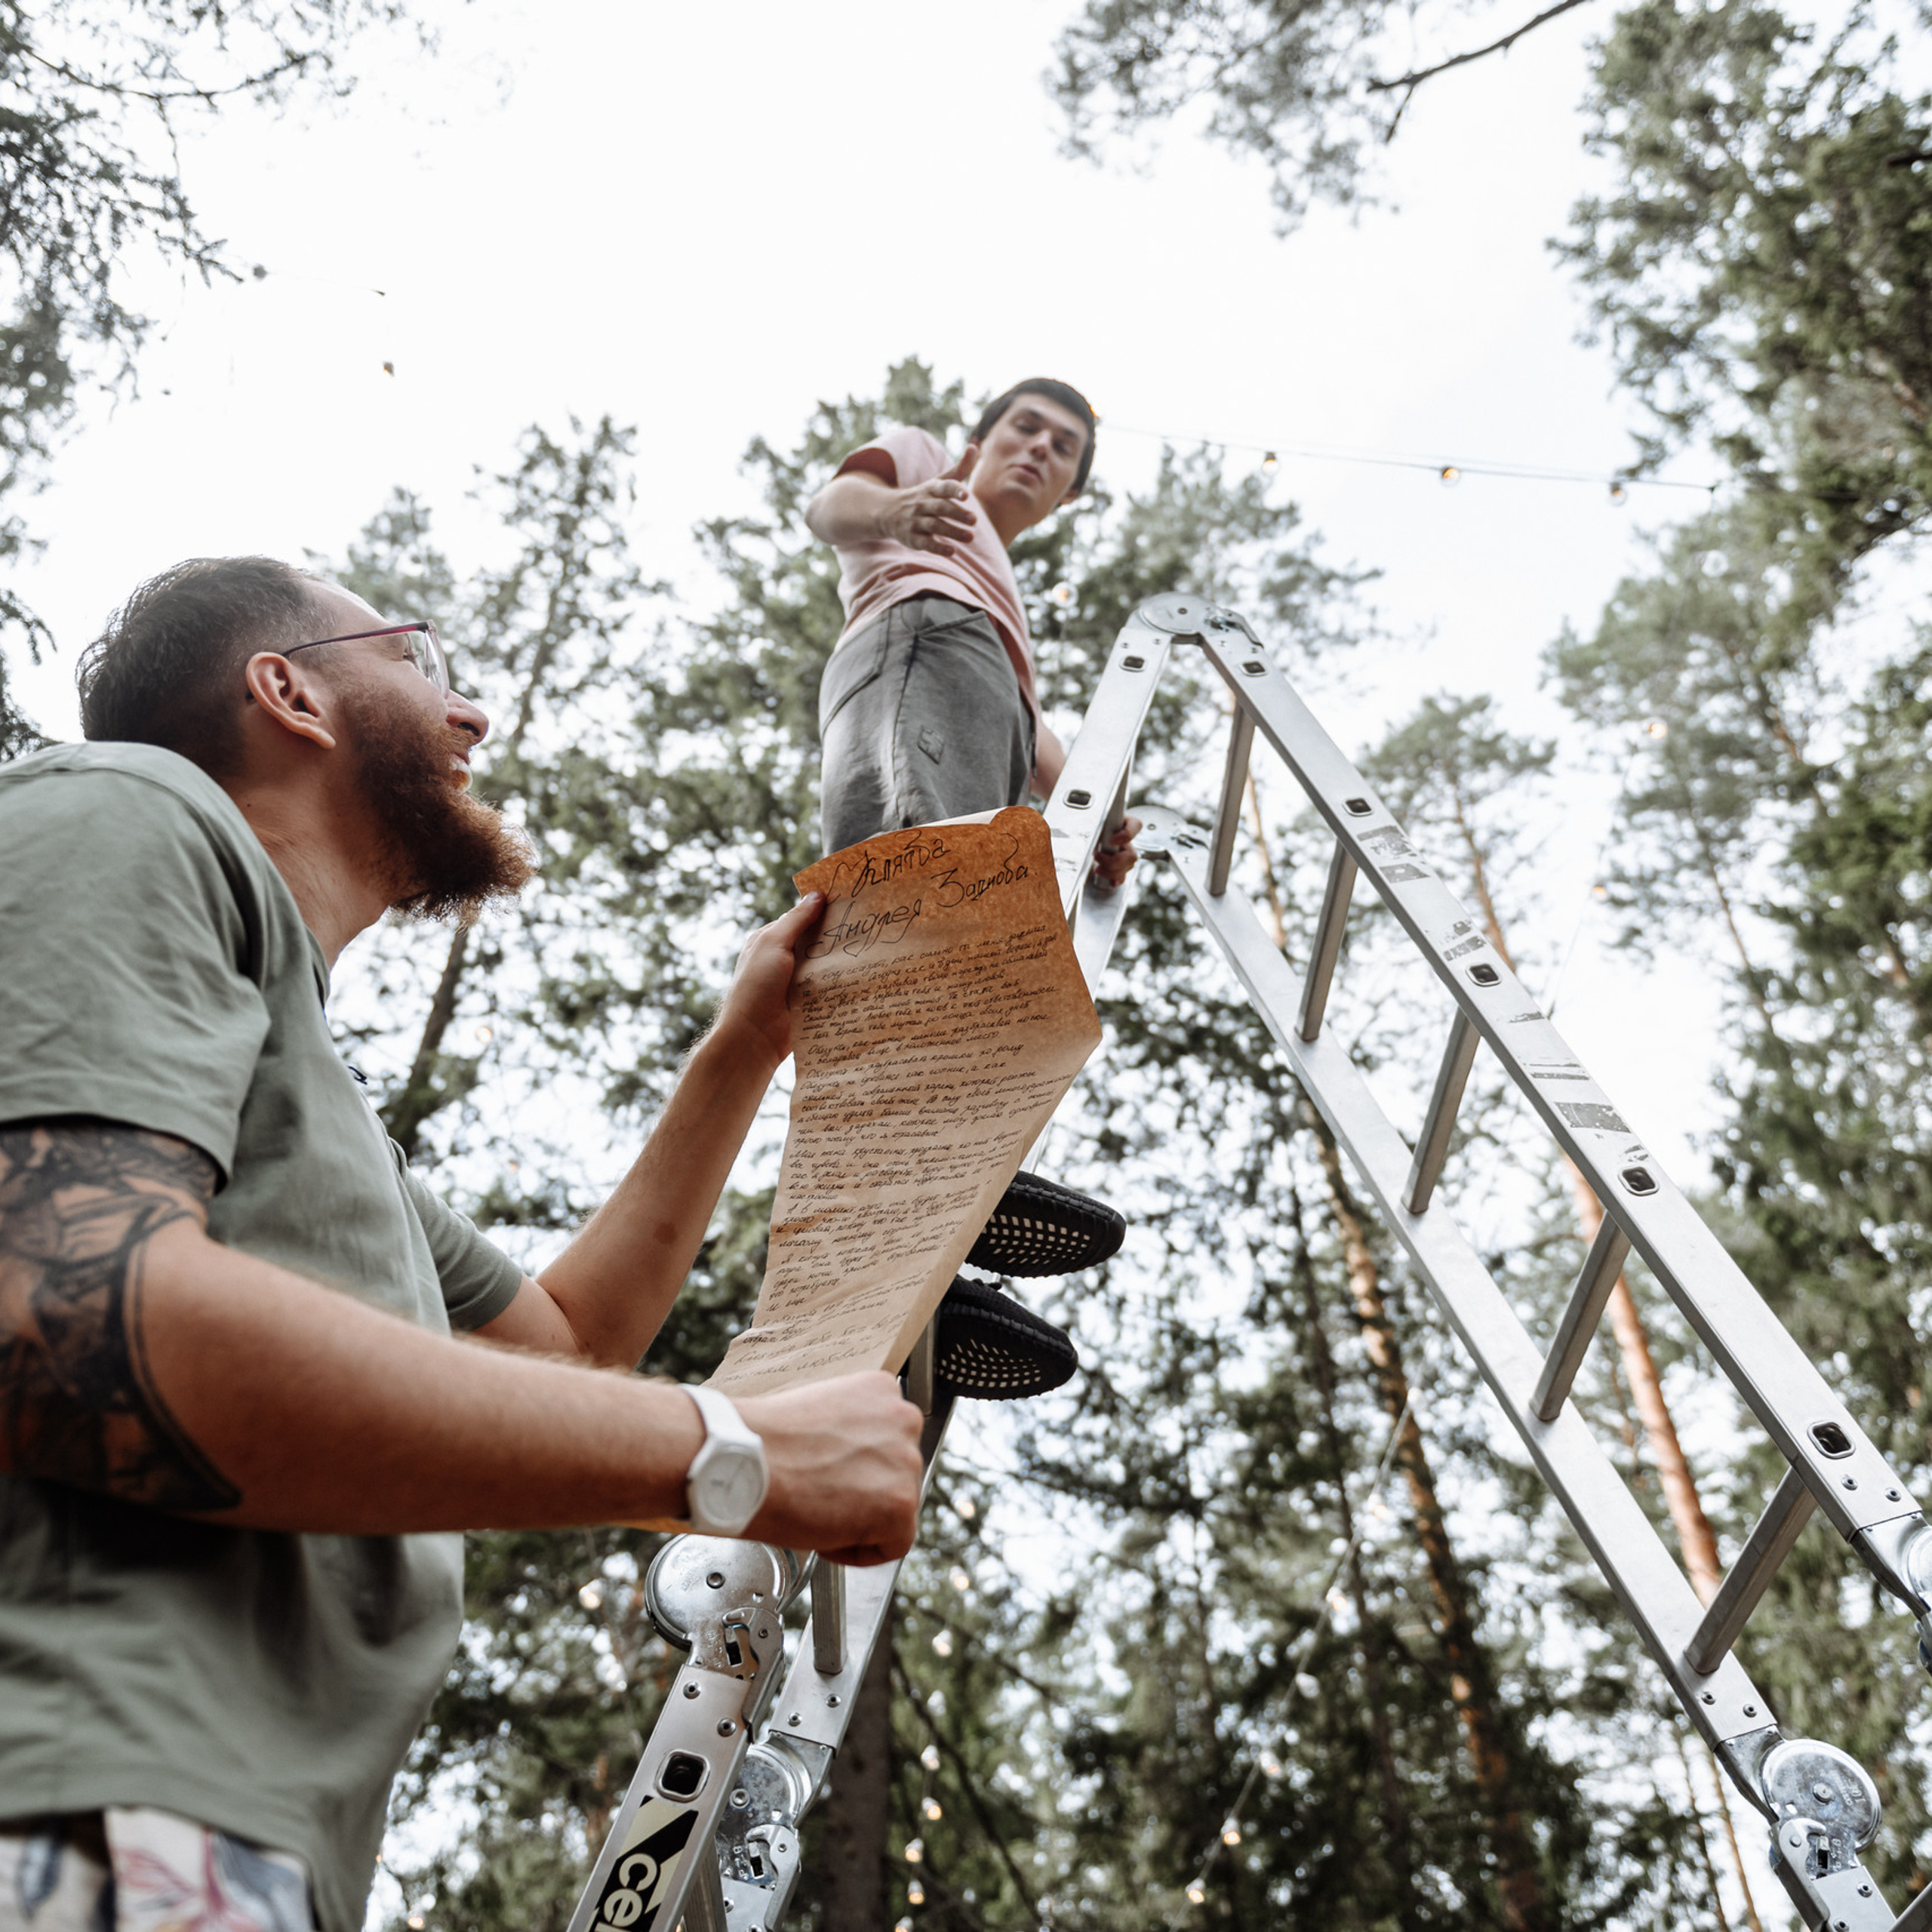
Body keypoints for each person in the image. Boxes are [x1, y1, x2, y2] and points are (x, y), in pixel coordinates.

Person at [0, 558, 925, 1932]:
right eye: (420, 655)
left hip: (219, 1851)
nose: (471, 713)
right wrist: (732, 1457)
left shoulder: (327, 1121)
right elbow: (60, 1315)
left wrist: (745, 1050)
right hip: (79, 1812)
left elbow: (572, 1347)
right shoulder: (124, 809)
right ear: (288, 690)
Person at [803, 380, 1139, 1401]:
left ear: (1073, 489)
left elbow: (1028, 726)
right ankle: (906, 1201)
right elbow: (831, 509)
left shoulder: (1005, 601)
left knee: (978, 933)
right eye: (1024, 429)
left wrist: (1090, 811)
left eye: (1064, 446)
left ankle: (935, 1257)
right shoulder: (924, 476)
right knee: (917, 879)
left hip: (984, 688)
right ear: (978, 441)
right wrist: (899, 513)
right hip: (920, 639)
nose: (1039, 448)